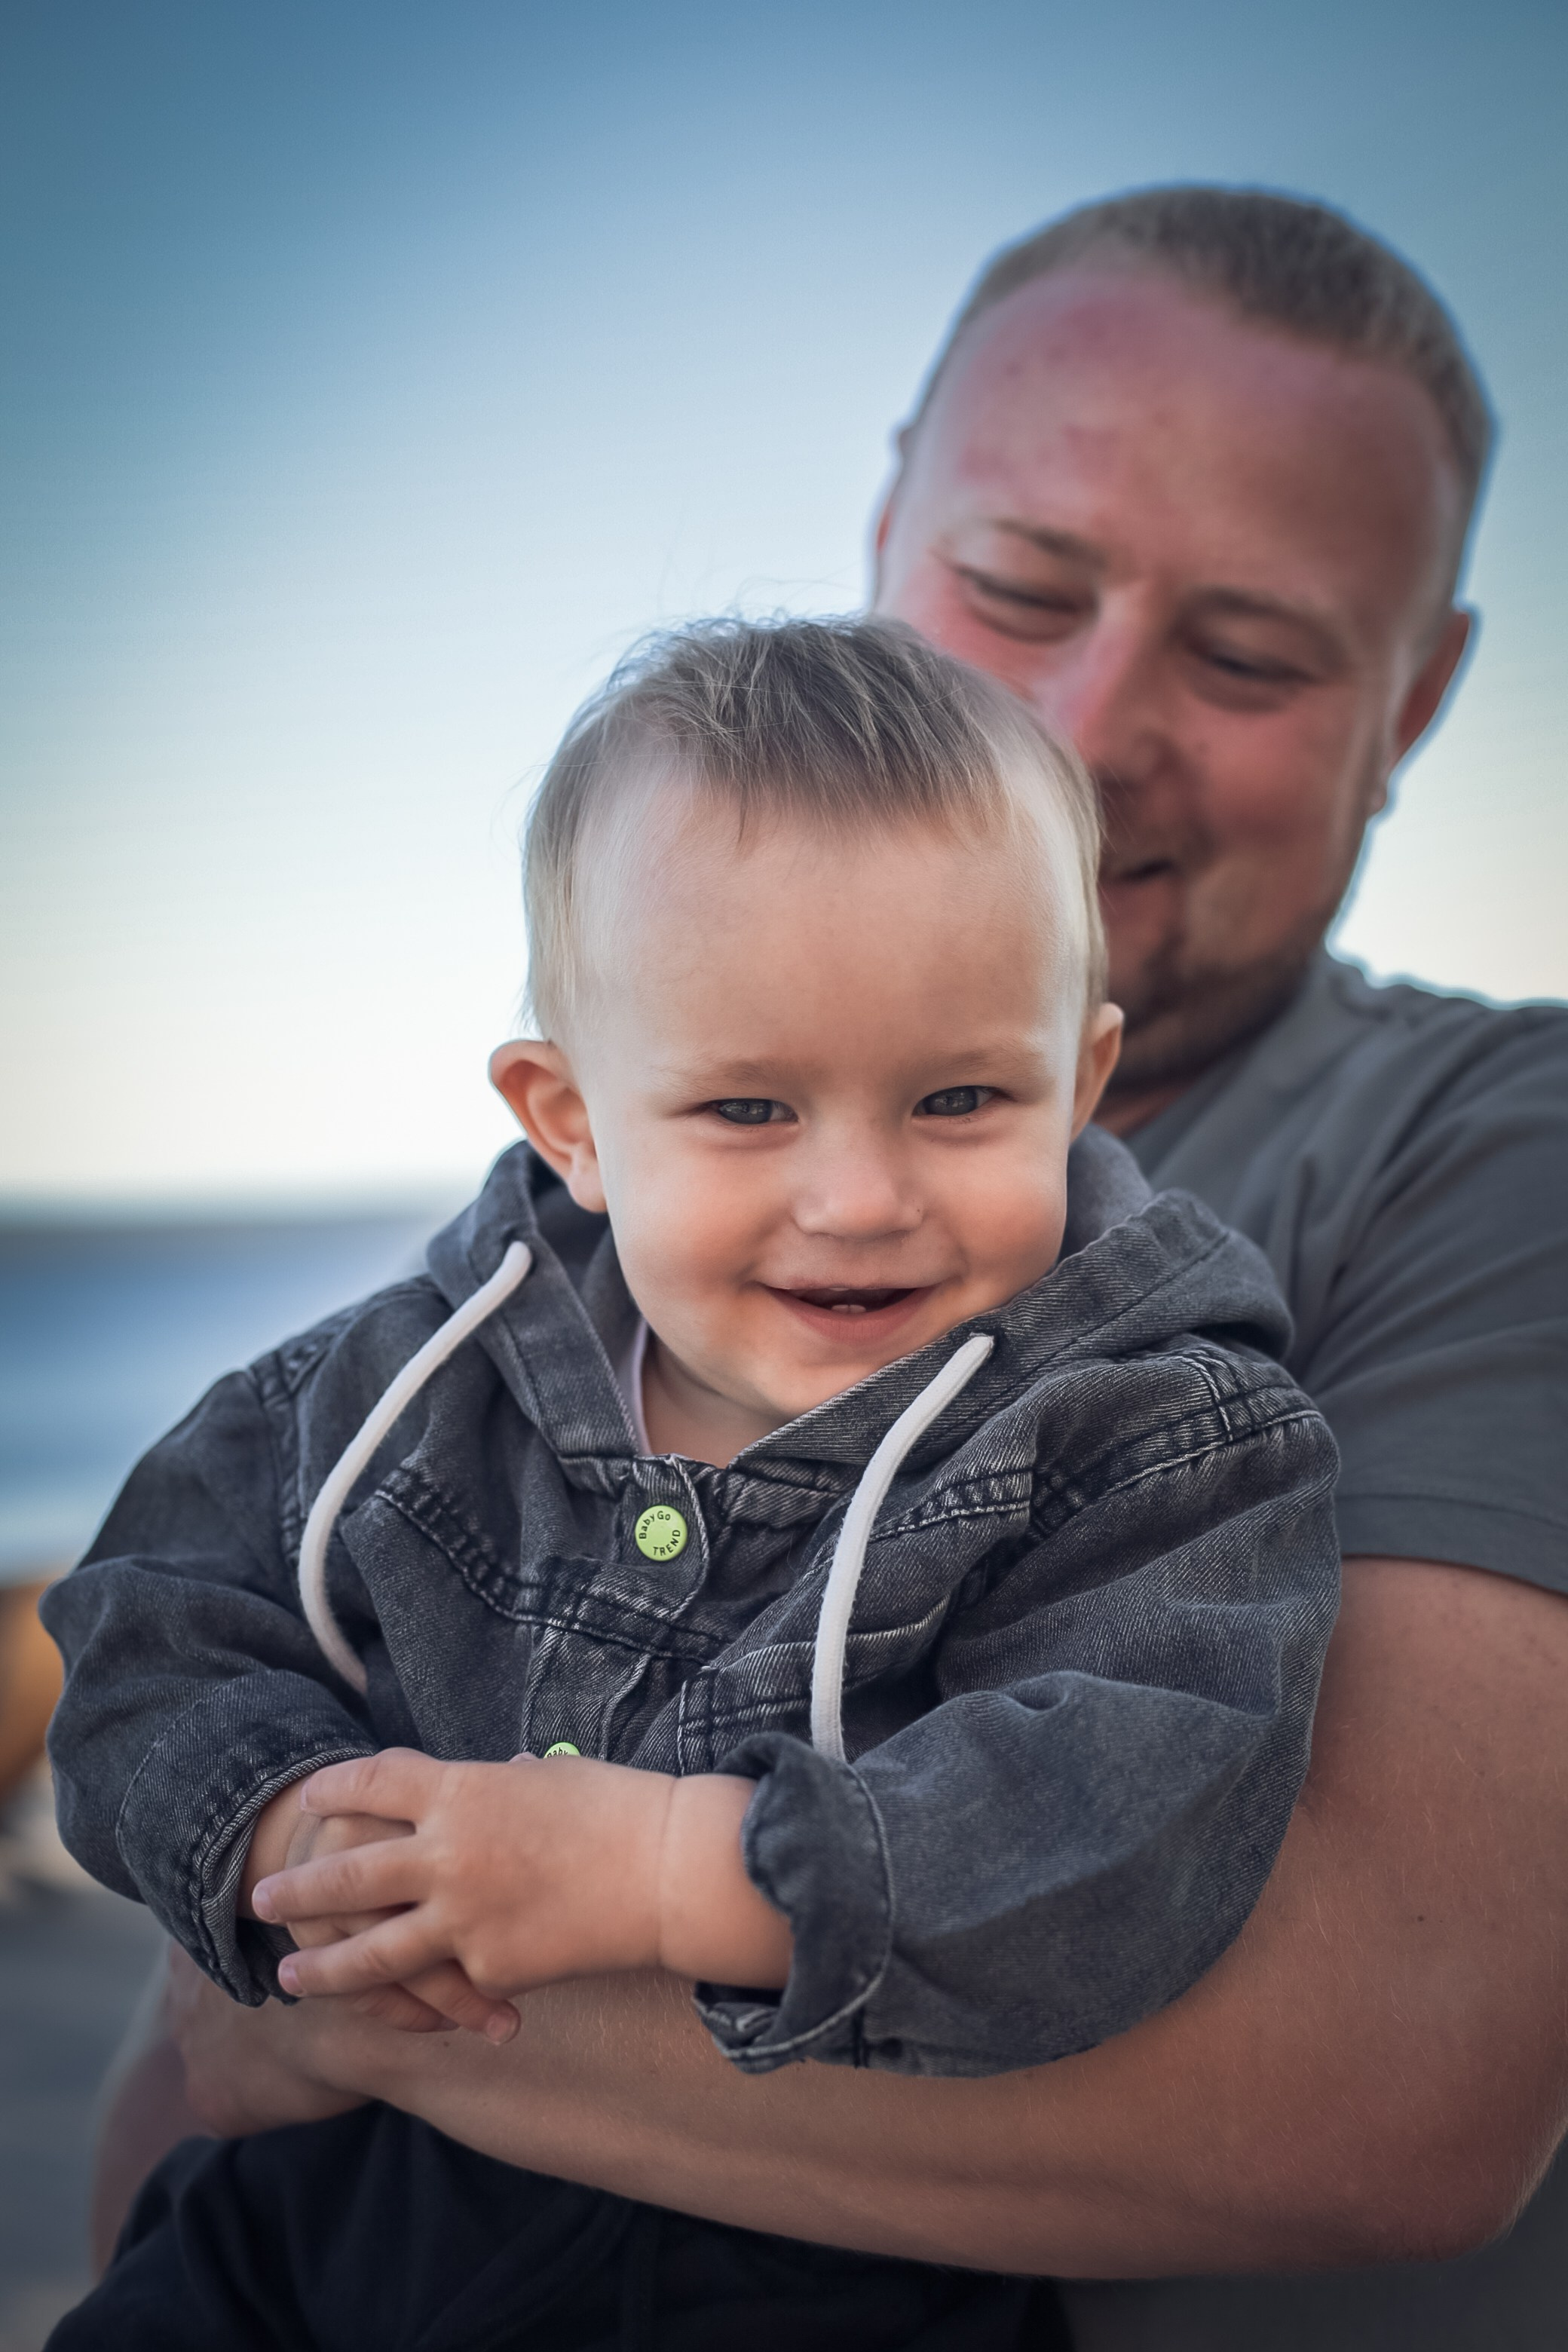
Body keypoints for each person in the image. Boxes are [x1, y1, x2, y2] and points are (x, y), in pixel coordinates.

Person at [90, 188, 1568, 2349]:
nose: (1091, 723)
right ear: (889, 522)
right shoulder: (526, 1296)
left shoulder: (1468, 1170)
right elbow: (179, 1802)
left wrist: (367, 1983)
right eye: (1020, 587)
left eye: (1248, 655)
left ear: (1417, 693)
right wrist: (254, 1869)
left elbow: (1390, 2091)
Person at [44, 615, 1340, 2347]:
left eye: (959, 1097)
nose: (859, 1199)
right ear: (569, 1119)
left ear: (1079, 1082)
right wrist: (288, 1831)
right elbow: (144, 1624)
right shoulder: (414, 1385)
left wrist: (669, 1870)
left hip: (804, 2287)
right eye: (747, 1110)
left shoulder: (1144, 1437)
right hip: (311, 2234)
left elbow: (1126, 1832)